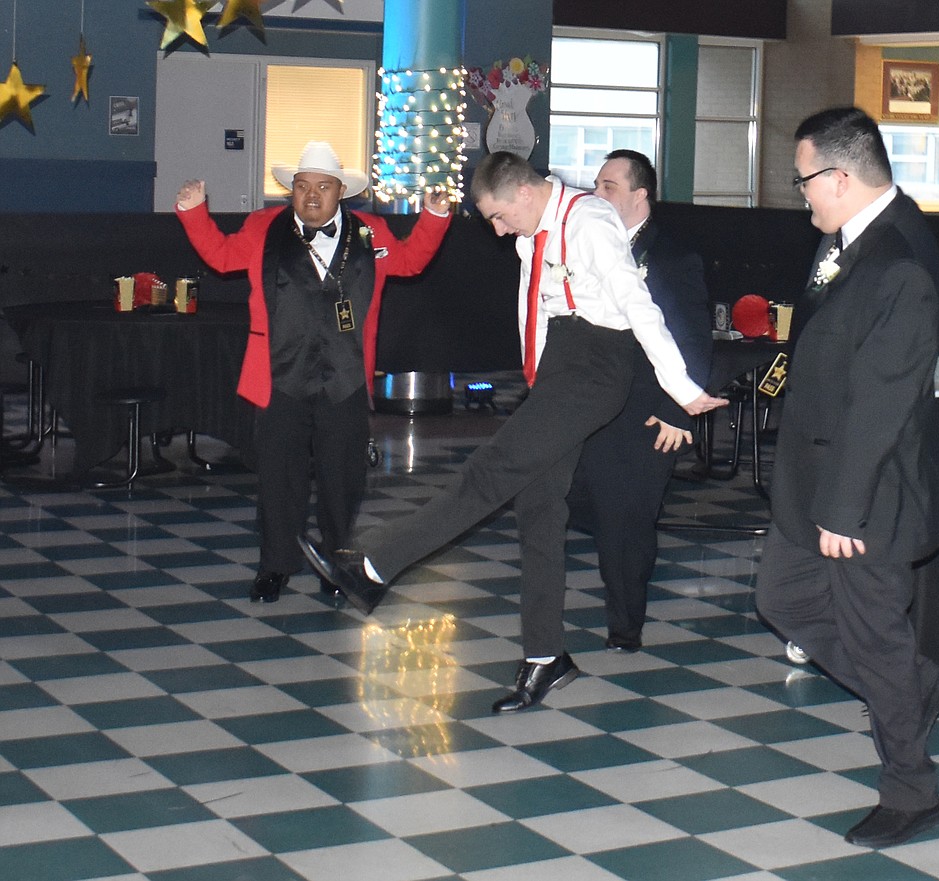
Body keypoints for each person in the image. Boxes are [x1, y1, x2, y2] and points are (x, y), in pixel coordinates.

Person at [304, 151, 727, 713]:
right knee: (540, 511)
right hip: (562, 368)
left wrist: (683, 388)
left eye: (500, 216)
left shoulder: (591, 220)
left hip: (598, 366)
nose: (499, 231)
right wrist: (536, 381)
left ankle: (375, 567)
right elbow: (538, 312)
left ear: (524, 193)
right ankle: (546, 658)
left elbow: (639, 305)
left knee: (488, 473)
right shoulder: (536, 231)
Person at [753, 107, 939, 849]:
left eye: (803, 178)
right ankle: (913, 683)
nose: (799, 192)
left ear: (839, 176)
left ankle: (913, 791)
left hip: (865, 492)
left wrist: (843, 509)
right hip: (817, 476)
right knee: (781, 596)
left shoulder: (898, 259)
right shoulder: (847, 239)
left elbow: (883, 398)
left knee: (874, 639)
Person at [174, 141, 451, 604]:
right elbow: (222, 257)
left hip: (344, 377)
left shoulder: (368, 232)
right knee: (278, 476)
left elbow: (409, 261)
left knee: (342, 478)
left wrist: (434, 218)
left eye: (323, 187)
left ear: (342, 191)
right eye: (302, 187)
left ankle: (337, 564)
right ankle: (274, 566)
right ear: (291, 192)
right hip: (279, 374)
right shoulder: (265, 228)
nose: (311, 196)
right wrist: (193, 211)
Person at [567, 149, 712, 653]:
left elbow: (693, 335)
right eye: (596, 184)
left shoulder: (671, 256)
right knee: (587, 503)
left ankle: (624, 627)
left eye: (609, 186)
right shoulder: (587, 244)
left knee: (628, 520)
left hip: (651, 411)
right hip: (592, 401)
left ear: (639, 195)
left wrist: (678, 411)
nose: (597, 194)